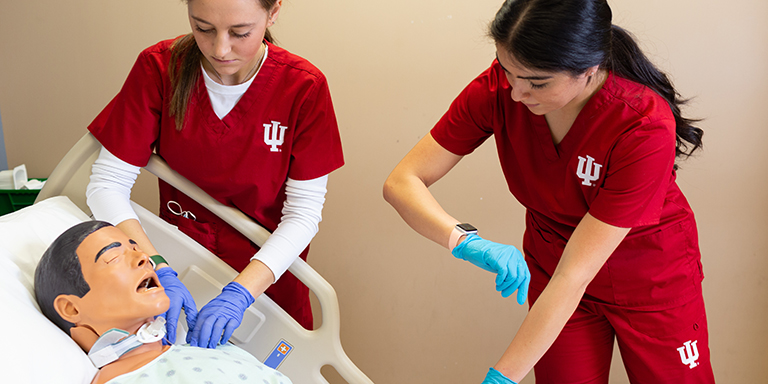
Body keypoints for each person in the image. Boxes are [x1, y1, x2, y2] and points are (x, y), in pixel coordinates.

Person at [383, 0, 715, 383]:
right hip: (554, 267)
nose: (516, 93)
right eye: (506, 69)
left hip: (648, 278)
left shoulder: (643, 125)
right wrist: (463, 240)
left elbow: (575, 274)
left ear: (589, 69)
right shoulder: (500, 87)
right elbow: (401, 182)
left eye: (537, 82)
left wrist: (502, 378)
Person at [85, 0, 343, 348]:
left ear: (273, 12)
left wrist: (241, 293)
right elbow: (106, 185)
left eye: (240, 33)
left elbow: (303, 214)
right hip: (175, 265)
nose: (220, 49)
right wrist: (157, 266)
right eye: (203, 28)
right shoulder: (160, 68)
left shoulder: (303, 88)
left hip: (267, 283)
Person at [34, 220, 292, 384]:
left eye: (136, 248)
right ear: (72, 308)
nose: (144, 258)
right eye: (113, 258)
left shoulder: (207, 349)